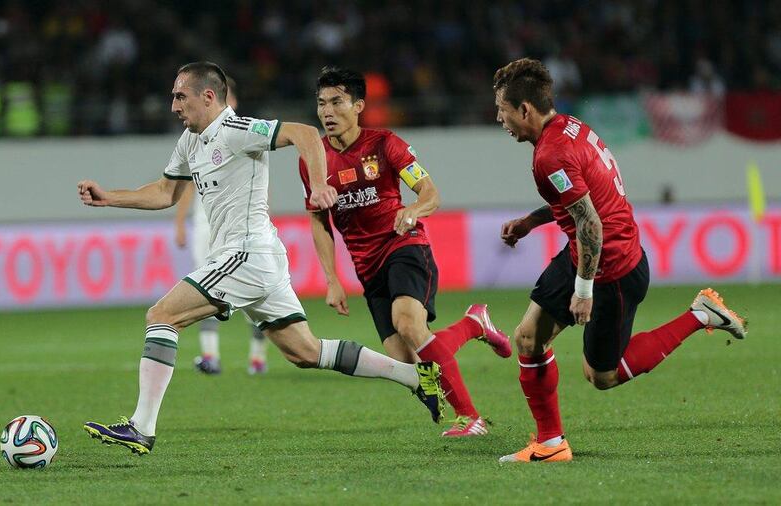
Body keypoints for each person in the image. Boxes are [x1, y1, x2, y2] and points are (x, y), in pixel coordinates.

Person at [78, 61, 445, 455]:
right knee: (305, 352)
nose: (174, 106)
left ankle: (141, 427)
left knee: (162, 315)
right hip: (253, 260)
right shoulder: (190, 141)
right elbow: (166, 192)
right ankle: (414, 376)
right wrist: (109, 197)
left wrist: (320, 185)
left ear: (208, 96)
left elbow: (304, 134)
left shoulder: (237, 130)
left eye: (180, 96)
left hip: (247, 253)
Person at [492, 58, 747, 463]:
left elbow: (590, 222)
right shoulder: (570, 128)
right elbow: (579, 203)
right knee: (528, 338)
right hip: (588, 253)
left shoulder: (550, 154)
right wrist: (530, 222)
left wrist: (583, 290)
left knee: (602, 376)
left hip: (612, 268)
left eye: (502, 110)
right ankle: (552, 443)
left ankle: (700, 315)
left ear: (525, 109)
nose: (499, 119)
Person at [300, 67, 512, 438]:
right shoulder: (312, 160)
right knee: (405, 360)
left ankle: (470, 418)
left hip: (404, 246)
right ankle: (474, 323)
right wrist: (332, 279)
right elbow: (319, 221)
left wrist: (413, 209)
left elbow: (430, 194)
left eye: (336, 102)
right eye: (321, 104)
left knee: (409, 323)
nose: (327, 112)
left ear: (358, 106)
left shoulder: (386, 144)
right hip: (367, 267)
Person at [173, 74, 268, 375]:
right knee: (204, 289)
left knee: (252, 294)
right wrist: (179, 222)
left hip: (240, 232)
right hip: (206, 227)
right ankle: (210, 356)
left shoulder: (243, 133)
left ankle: (257, 357)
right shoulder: (197, 138)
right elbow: (187, 185)